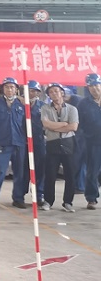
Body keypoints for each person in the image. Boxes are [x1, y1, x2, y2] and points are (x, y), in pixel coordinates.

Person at [0, 77, 28, 209]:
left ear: (16, 89)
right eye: (7, 87)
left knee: (20, 172)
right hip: (2, 143)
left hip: (19, 143)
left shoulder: (22, 104)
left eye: (12, 87)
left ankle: (18, 198)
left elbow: (26, 123)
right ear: (2, 89)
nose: (9, 89)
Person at [41, 82, 80, 212]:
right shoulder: (45, 108)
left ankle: (68, 202)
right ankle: (48, 201)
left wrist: (55, 126)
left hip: (69, 144)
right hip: (52, 143)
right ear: (49, 95)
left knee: (70, 175)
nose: (54, 94)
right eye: (51, 92)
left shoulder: (72, 109)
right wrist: (64, 124)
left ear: (62, 92)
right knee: (50, 174)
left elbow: (73, 126)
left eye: (56, 91)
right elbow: (46, 124)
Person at [78, 74, 101, 210]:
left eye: (96, 85)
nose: (94, 88)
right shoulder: (83, 104)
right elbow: (79, 124)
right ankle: (91, 198)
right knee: (92, 171)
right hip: (92, 143)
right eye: (91, 86)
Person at [21, 80, 46, 204]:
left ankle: (38, 195)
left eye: (35, 91)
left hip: (39, 142)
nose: (32, 93)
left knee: (40, 169)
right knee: (23, 169)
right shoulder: (19, 105)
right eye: (30, 91)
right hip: (22, 142)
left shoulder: (43, 106)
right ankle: (20, 195)